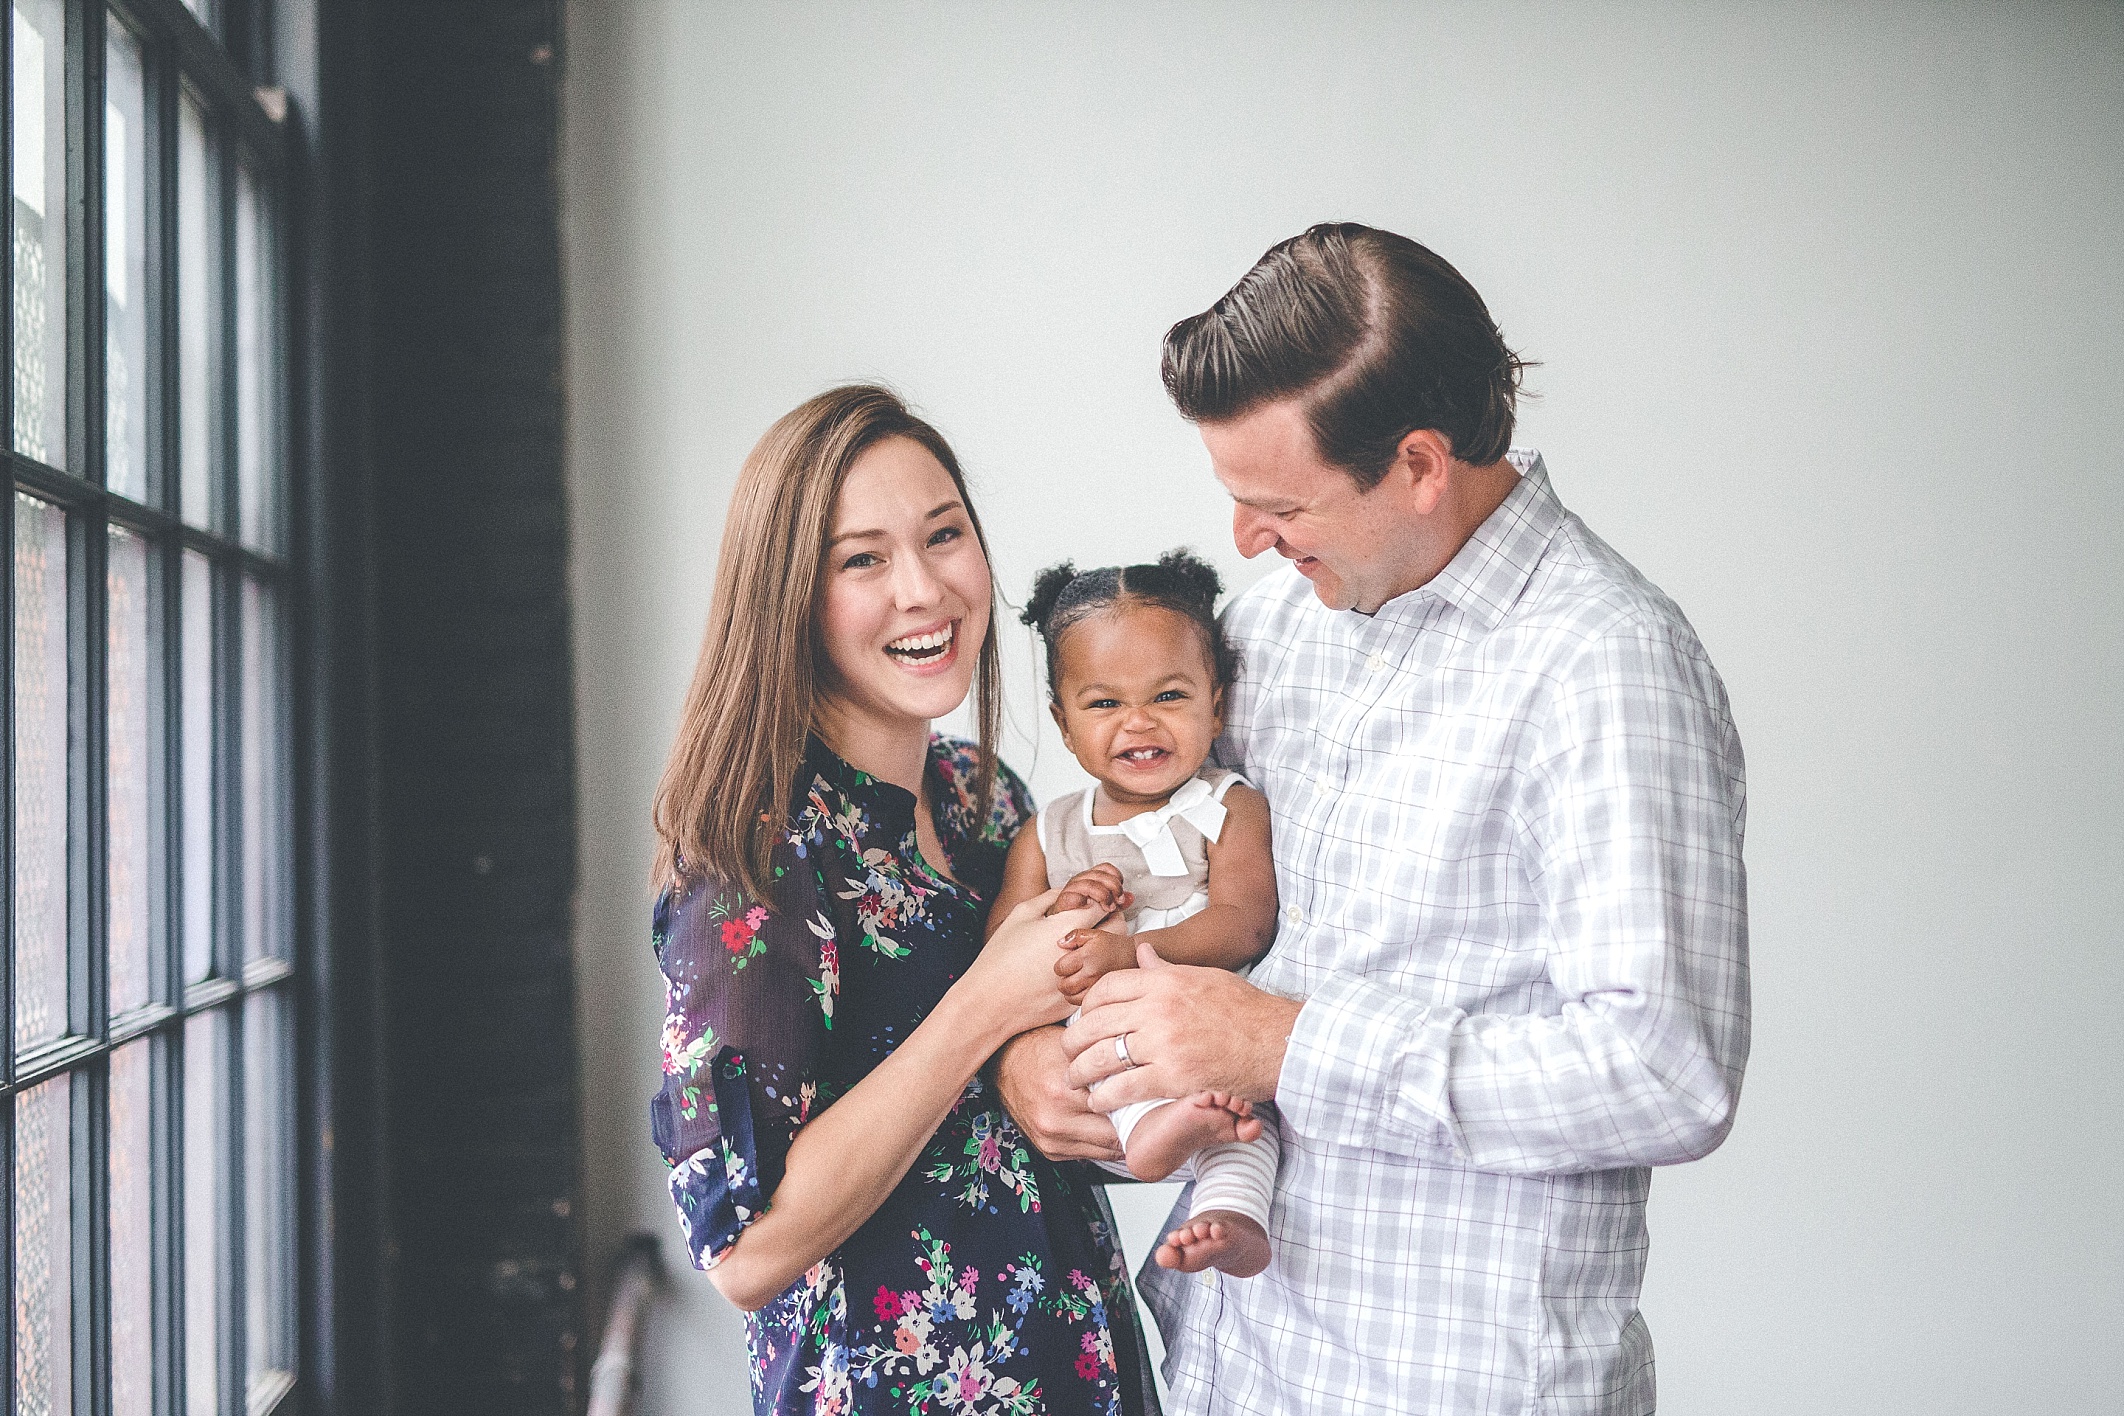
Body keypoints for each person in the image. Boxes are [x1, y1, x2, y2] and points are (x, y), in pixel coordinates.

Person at [994, 224, 1751, 1415]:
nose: (1244, 538)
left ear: (1417, 465)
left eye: (1278, 502)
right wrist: (1030, 1056)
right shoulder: (1266, 634)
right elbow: (1143, 868)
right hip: (1238, 1366)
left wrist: (1285, 1046)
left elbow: (1664, 1072)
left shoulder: (1607, 668)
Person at [648, 385, 1162, 1415]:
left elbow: (1008, 1127)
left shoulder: (986, 802)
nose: (924, 590)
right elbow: (745, 1251)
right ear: (790, 593)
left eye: (944, 536)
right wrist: (986, 1009)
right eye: (863, 559)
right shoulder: (755, 860)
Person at [987, 550, 1281, 1278]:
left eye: (1170, 696)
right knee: (1112, 1078)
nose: (1138, 722)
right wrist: (1062, 907)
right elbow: (999, 949)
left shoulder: (1228, 806)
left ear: (1217, 702)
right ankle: (1150, 1133)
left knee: (1249, 1125)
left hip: (1208, 1029)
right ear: (1063, 722)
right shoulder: (1050, 831)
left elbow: (1245, 921)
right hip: (1099, 1052)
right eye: (1104, 703)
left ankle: (1230, 1219)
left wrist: (1128, 954)